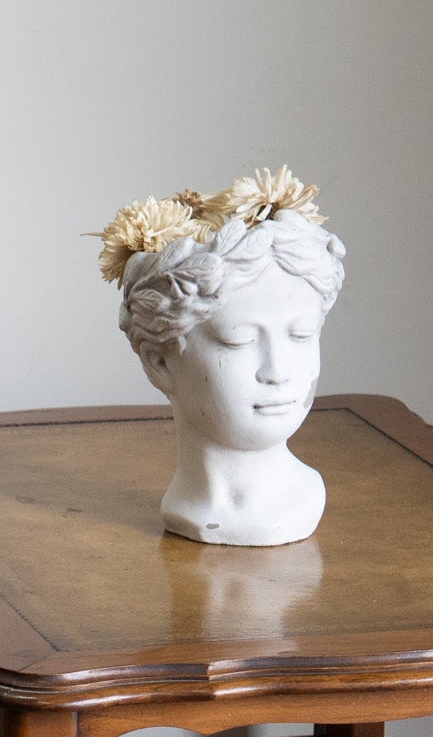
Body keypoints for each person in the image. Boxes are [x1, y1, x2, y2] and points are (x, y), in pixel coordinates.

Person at [97, 167, 347, 546]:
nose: (278, 371)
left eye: (301, 335)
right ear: (159, 363)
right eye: (239, 340)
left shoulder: (304, 495)